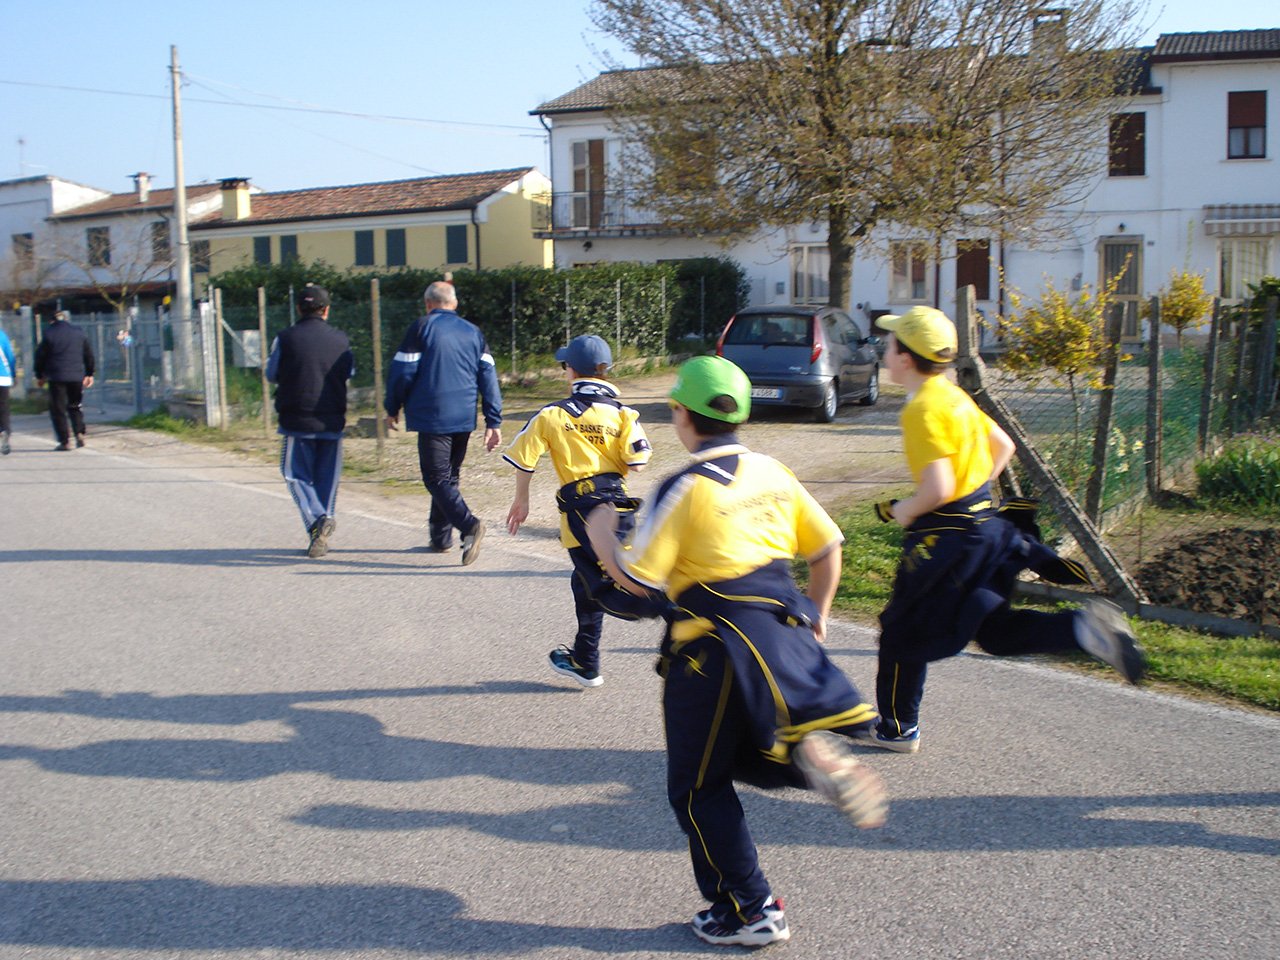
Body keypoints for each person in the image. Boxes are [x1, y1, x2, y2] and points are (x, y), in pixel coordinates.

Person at [586, 355, 887, 948]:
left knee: (698, 785)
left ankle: (751, 910)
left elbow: (640, 583)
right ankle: (807, 758)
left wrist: (601, 537)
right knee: (750, 747)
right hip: (781, 632)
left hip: (711, 649)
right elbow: (828, 547)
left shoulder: (681, 487)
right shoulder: (774, 472)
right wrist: (818, 617)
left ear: (681, 415)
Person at [859, 306, 1148, 755]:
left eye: (890, 343)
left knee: (902, 632)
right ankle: (1083, 632)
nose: (884, 349)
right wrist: (973, 497)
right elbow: (1003, 445)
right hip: (990, 531)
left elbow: (938, 489)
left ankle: (897, 729)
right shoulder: (954, 396)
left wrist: (904, 510)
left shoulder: (921, 409)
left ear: (905, 357)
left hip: (950, 543)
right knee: (994, 631)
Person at [503, 334, 667, 688]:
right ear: (605, 372)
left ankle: (670, 610)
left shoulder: (553, 414)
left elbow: (523, 457)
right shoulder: (623, 413)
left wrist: (522, 499)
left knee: (605, 585)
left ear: (571, 371)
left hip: (582, 515)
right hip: (619, 508)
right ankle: (585, 660)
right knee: (585, 583)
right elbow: (638, 462)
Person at [385, 281, 502, 565]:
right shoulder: (473, 331)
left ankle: (469, 525)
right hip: (463, 416)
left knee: (436, 479)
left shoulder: (421, 327)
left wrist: (392, 406)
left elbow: (403, 371)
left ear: (428, 303)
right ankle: (441, 538)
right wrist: (493, 420)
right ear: (455, 303)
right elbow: (488, 375)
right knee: (448, 478)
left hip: (432, 415)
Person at [265, 284, 355, 559]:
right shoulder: (341, 340)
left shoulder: (285, 338)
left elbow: (271, 374)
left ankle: (318, 521)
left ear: (298, 309)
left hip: (297, 418)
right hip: (332, 419)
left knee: (295, 476)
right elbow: (349, 373)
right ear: (326, 310)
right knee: (327, 478)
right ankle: (321, 532)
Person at [33, 311, 95, 451]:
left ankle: (64, 441)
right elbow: (89, 354)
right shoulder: (79, 333)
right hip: (76, 376)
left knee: (58, 409)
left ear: (52, 321)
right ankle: (79, 432)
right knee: (75, 405)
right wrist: (89, 373)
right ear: (67, 320)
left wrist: (39, 375)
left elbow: (40, 356)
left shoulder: (48, 334)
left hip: (56, 377)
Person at [0, 324, 15, 455]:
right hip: (3, 377)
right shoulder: (2, 335)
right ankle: (4, 430)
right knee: (3, 408)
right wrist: (13, 375)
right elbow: (10, 356)